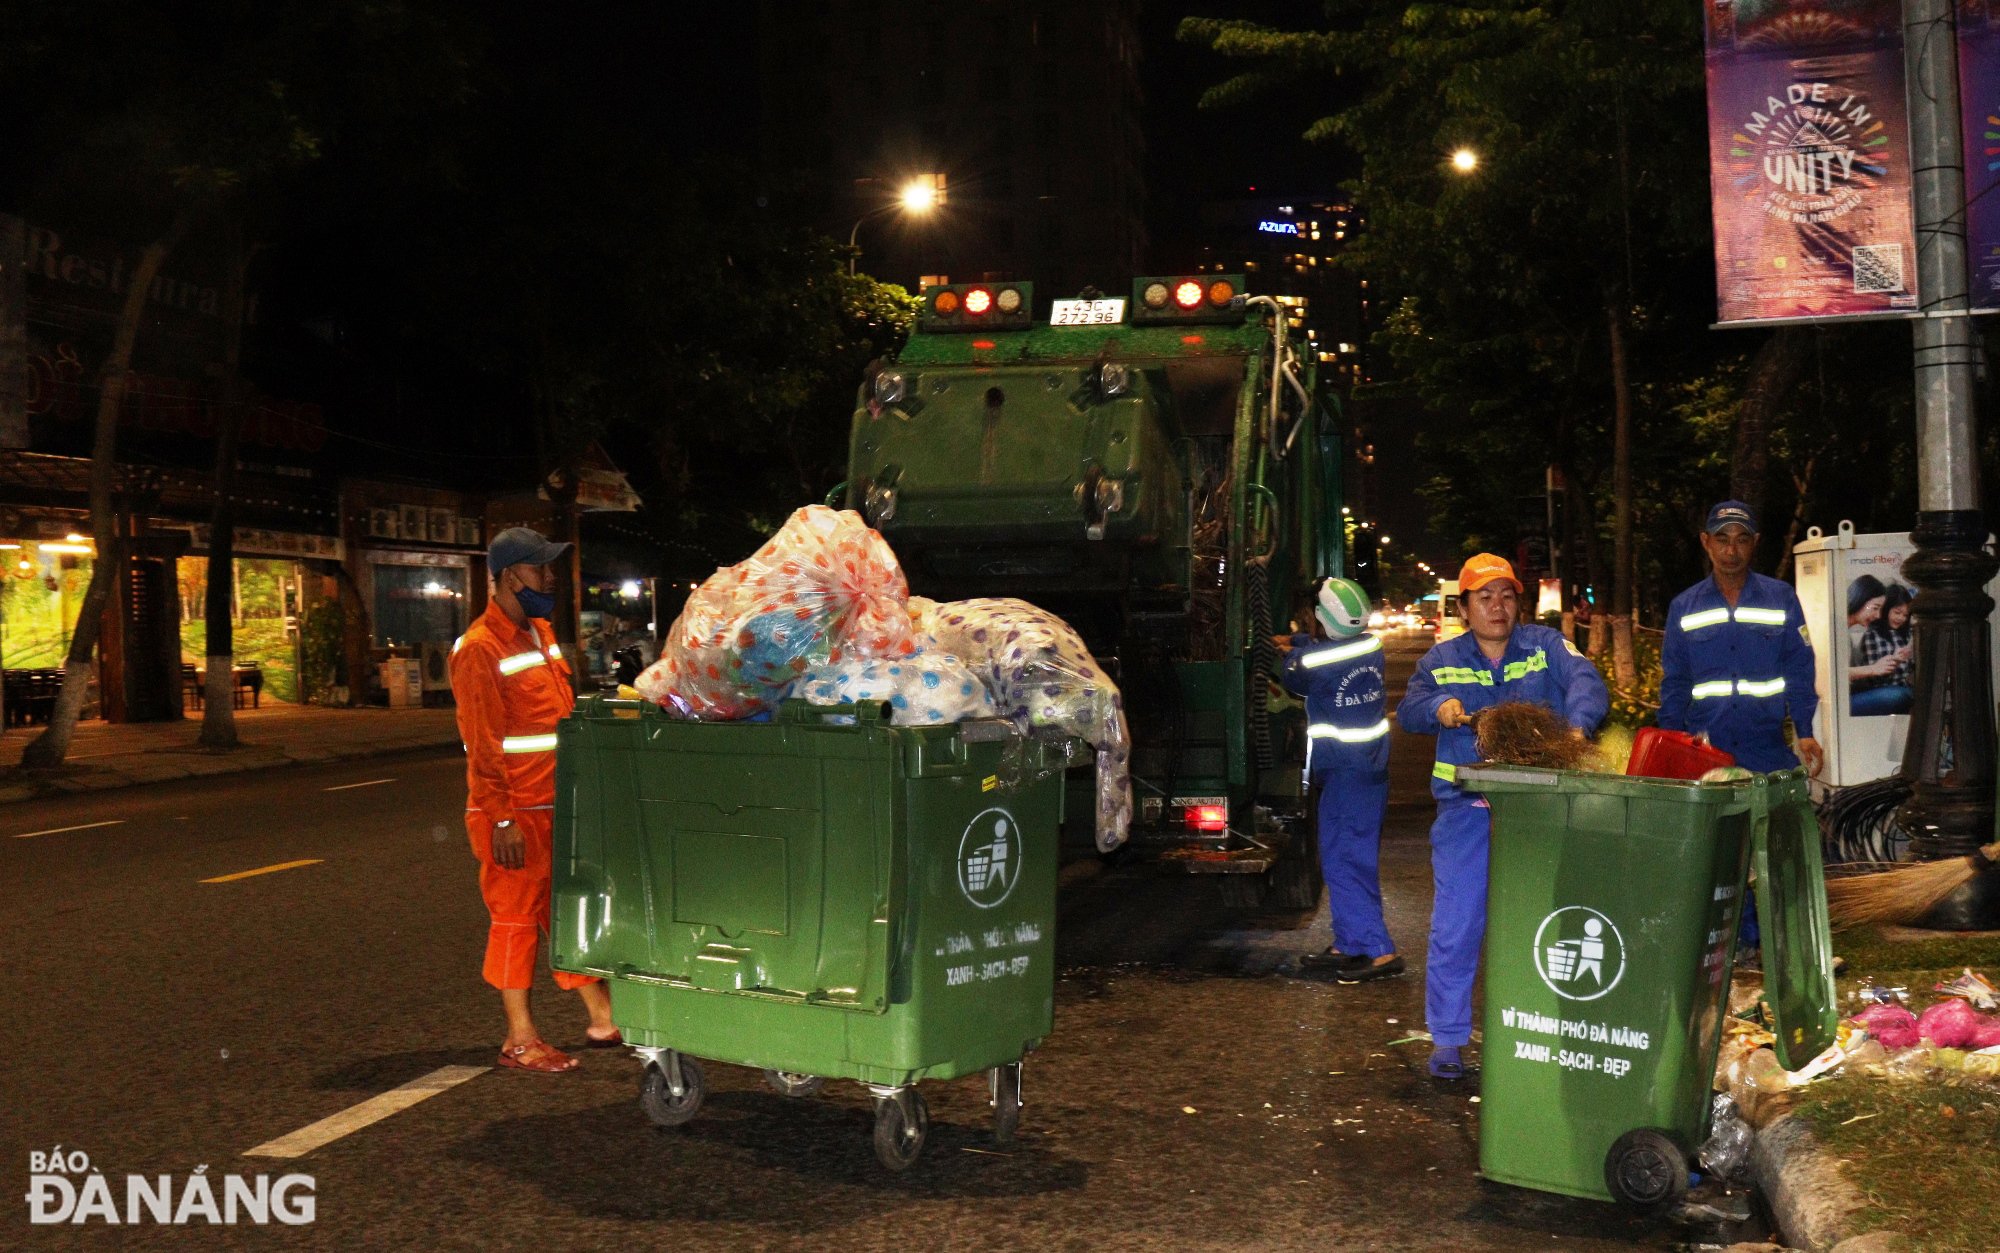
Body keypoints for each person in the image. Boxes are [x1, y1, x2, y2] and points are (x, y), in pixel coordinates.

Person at [1397, 554, 1608, 1080]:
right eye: (1485, 597)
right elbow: (1410, 708)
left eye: (1507, 596)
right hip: (1466, 811)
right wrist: (1439, 707)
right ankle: (1447, 1040)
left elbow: (1586, 679)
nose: (1498, 606)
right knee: (1457, 924)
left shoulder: (1545, 648)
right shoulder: (1441, 659)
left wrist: (1578, 727)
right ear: (1465, 607)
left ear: (1520, 603)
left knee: (1546, 925)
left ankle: (1542, 1035)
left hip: (1537, 813)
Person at [452, 526, 618, 1073]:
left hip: (552, 804)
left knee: (563, 914)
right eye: (540, 568)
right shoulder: (480, 649)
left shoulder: (539, 632)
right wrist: (502, 820)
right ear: (505, 577)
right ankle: (519, 1039)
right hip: (513, 813)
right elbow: (483, 745)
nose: (549, 578)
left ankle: (602, 1017)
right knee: (516, 921)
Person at [1280, 577, 1403, 984]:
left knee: (1347, 860)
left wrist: (1287, 646)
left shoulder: (1318, 661)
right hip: (1367, 772)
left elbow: (1295, 674)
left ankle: (1378, 949)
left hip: (1347, 774)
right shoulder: (1371, 646)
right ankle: (1350, 943)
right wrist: (1302, 643)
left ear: (1319, 617)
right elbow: (1321, 655)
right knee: (1344, 857)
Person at [1658, 501, 1824, 776]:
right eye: (1722, 539)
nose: (1731, 551)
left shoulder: (1781, 599)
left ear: (1755, 542)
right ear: (1705, 541)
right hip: (1704, 753)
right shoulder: (1683, 607)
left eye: (1741, 539)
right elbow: (1675, 682)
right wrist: (1671, 743)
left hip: (1767, 754)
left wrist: (1805, 732)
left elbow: (1800, 669)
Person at [1849, 578, 1912, 716]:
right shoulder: (1871, 635)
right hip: (1861, 694)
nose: (1877, 615)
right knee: (1901, 696)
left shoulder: (1905, 635)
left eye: (1905, 615)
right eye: (1875, 608)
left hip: (1891, 689)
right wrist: (1878, 668)